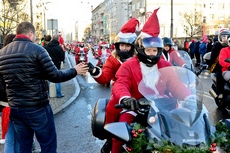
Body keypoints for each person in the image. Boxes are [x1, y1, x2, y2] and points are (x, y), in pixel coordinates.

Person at [110, 8, 191, 153]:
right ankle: (114, 150)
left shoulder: (164, 65)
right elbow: (121, 83)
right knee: (122, 131)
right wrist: (126, 98)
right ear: (141, 49)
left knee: (183, 129)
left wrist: (189, 96)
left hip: (162, 106)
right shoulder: (129, 65)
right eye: (149, 50)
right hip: (135, 106)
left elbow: (175, 85)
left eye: (155, 50)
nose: (152, 54)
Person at [0, 22, 89, 153]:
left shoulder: (2, 53)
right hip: (37, 107)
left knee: (24, 146)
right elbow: (55, 76)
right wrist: (75, 70)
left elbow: (2, 84)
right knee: (48, 145)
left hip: (16, 109)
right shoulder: (37, 49)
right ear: (30, 33)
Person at [88, 17, 140, 153]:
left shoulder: (140, 59)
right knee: (112, 110)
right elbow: (105, 77)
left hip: (141, 94)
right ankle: (111, 138)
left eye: (127, 45)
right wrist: (94, 71)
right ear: (117, 46)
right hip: (120, 94)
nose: (124, 48)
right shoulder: (113, 59)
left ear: (133, 46)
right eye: (121, 45)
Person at [0, 34, 20, 153]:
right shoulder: (15, 58)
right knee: (13, 139)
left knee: (11, 138)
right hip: (13, 104)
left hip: (5, 105)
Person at [209, 29, 230, 96]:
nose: (225, 39)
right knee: (219, 75)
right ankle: (220, 94)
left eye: (227, 37)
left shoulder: (228, 46)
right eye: (223, 37)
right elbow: (212, 58)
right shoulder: (217, 46)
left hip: (227, 66)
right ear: (219, 37)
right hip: (218, 66)